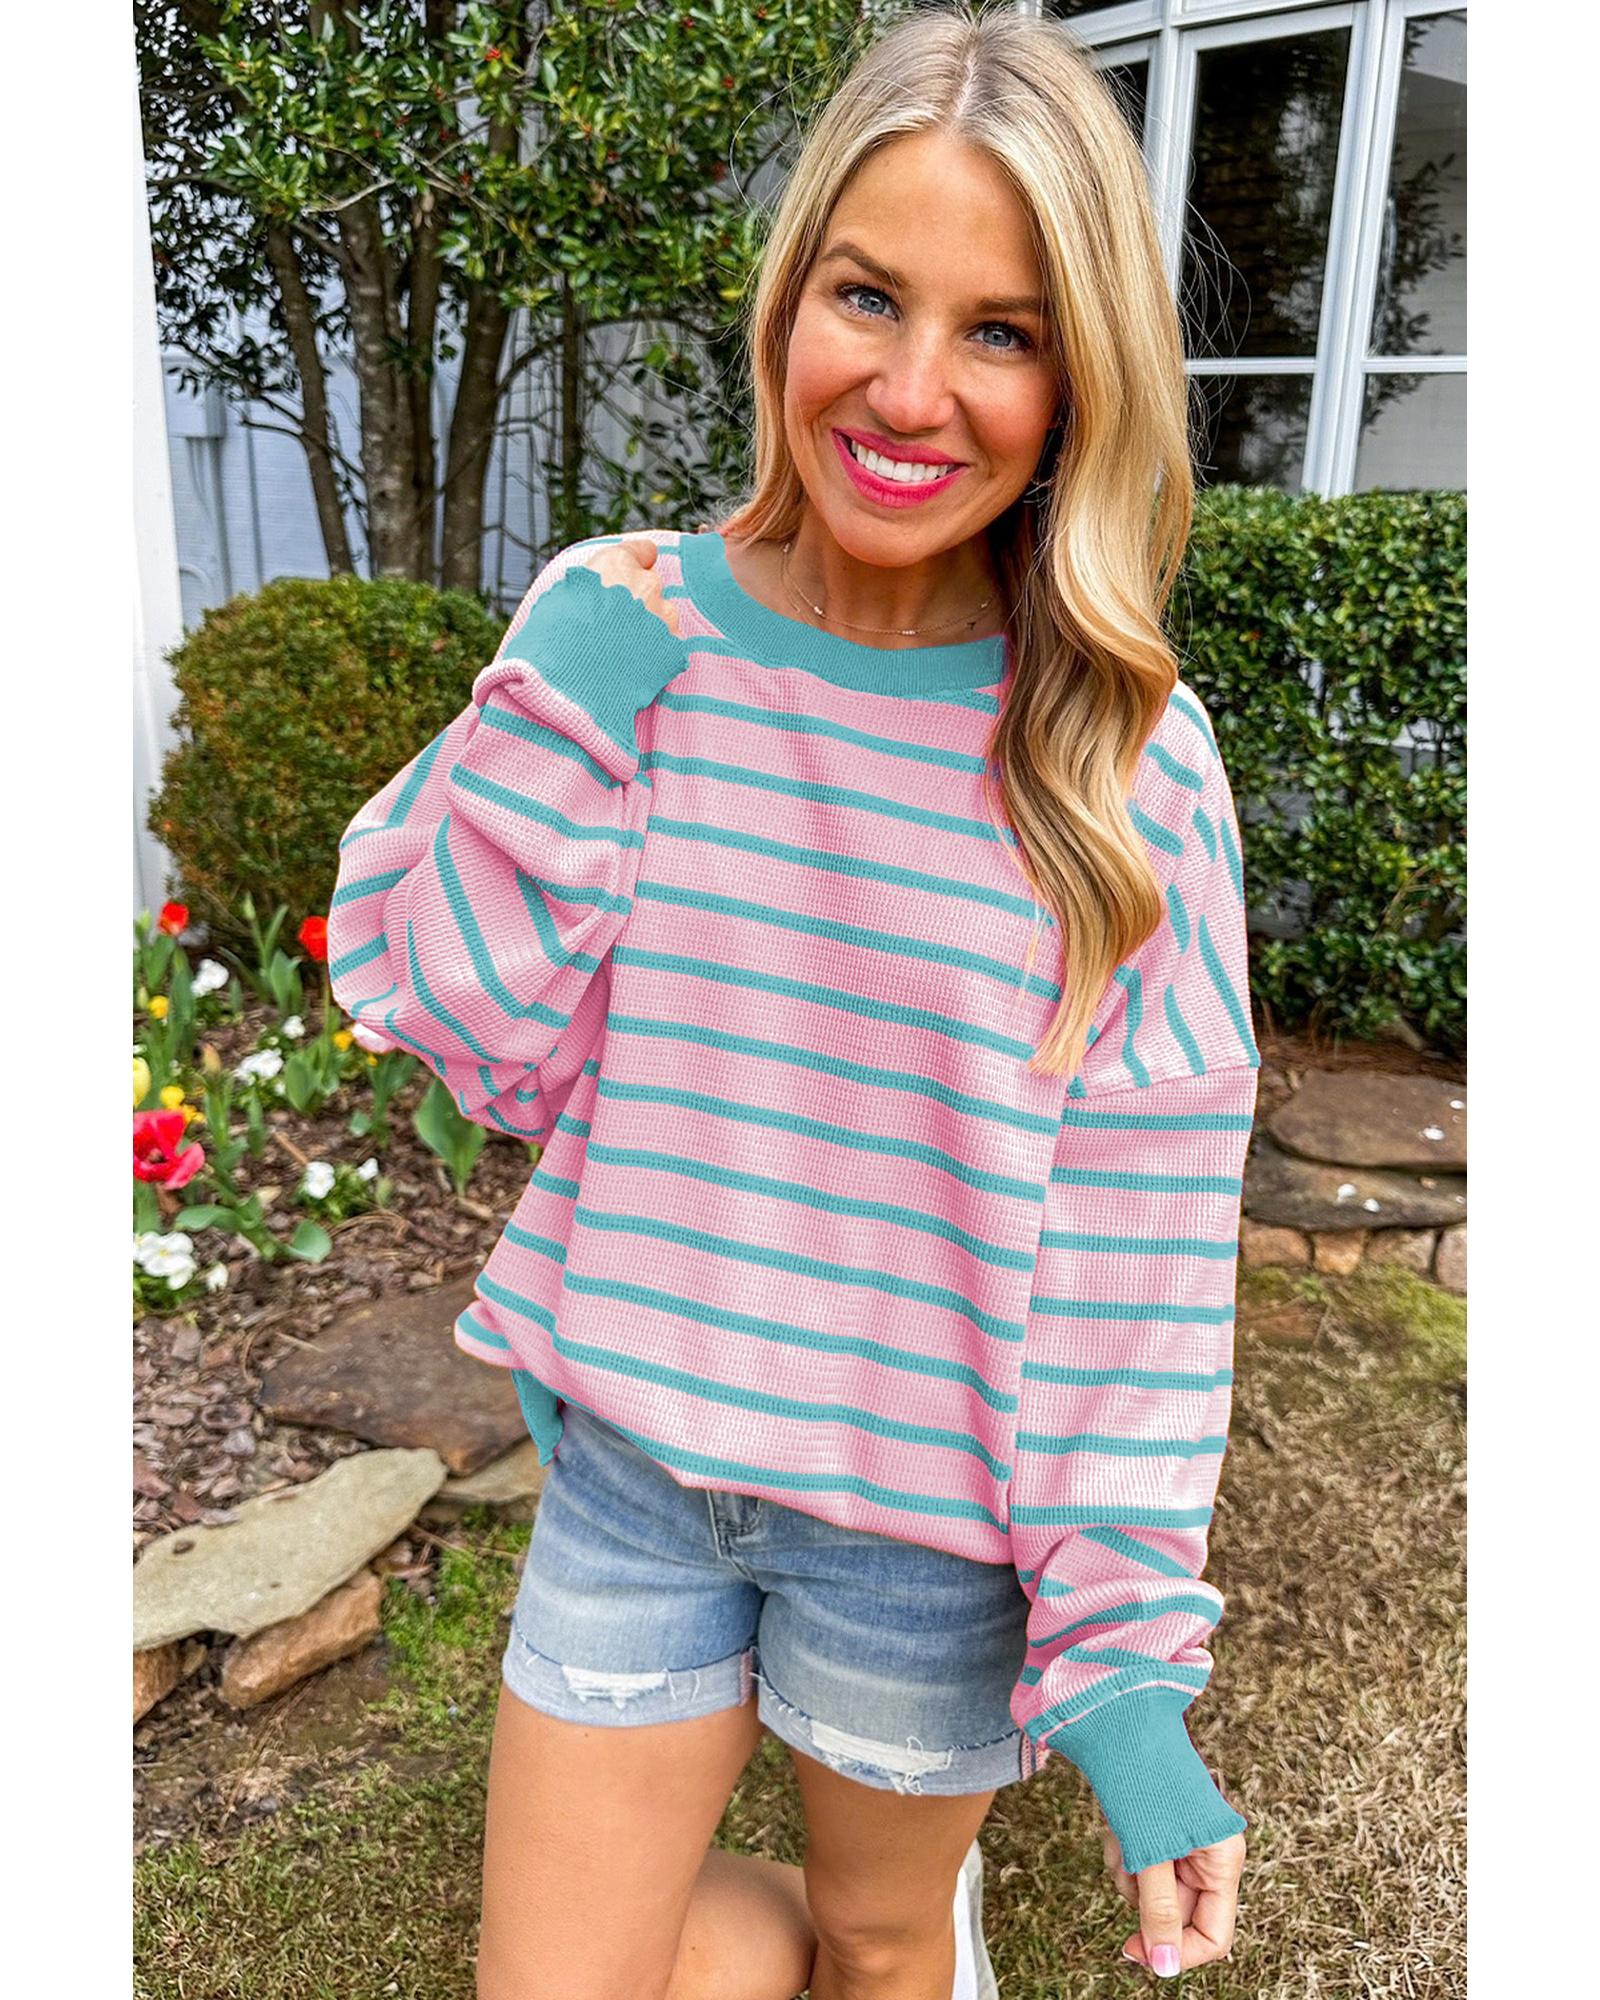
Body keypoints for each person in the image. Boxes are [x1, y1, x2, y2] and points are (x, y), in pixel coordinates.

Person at [327, 6, 1258, 1996]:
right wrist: (565, 701)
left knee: (875, 1943)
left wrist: (1120, 1682)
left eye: (1002, 331)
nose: (911, 390)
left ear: (1078, 379)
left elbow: (1141, 1261)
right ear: (789, 302)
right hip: (637, 1483)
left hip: (931, 1540)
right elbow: (460, 1016)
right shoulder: (626, 624)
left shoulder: (1126, 766)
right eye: (868, 295)